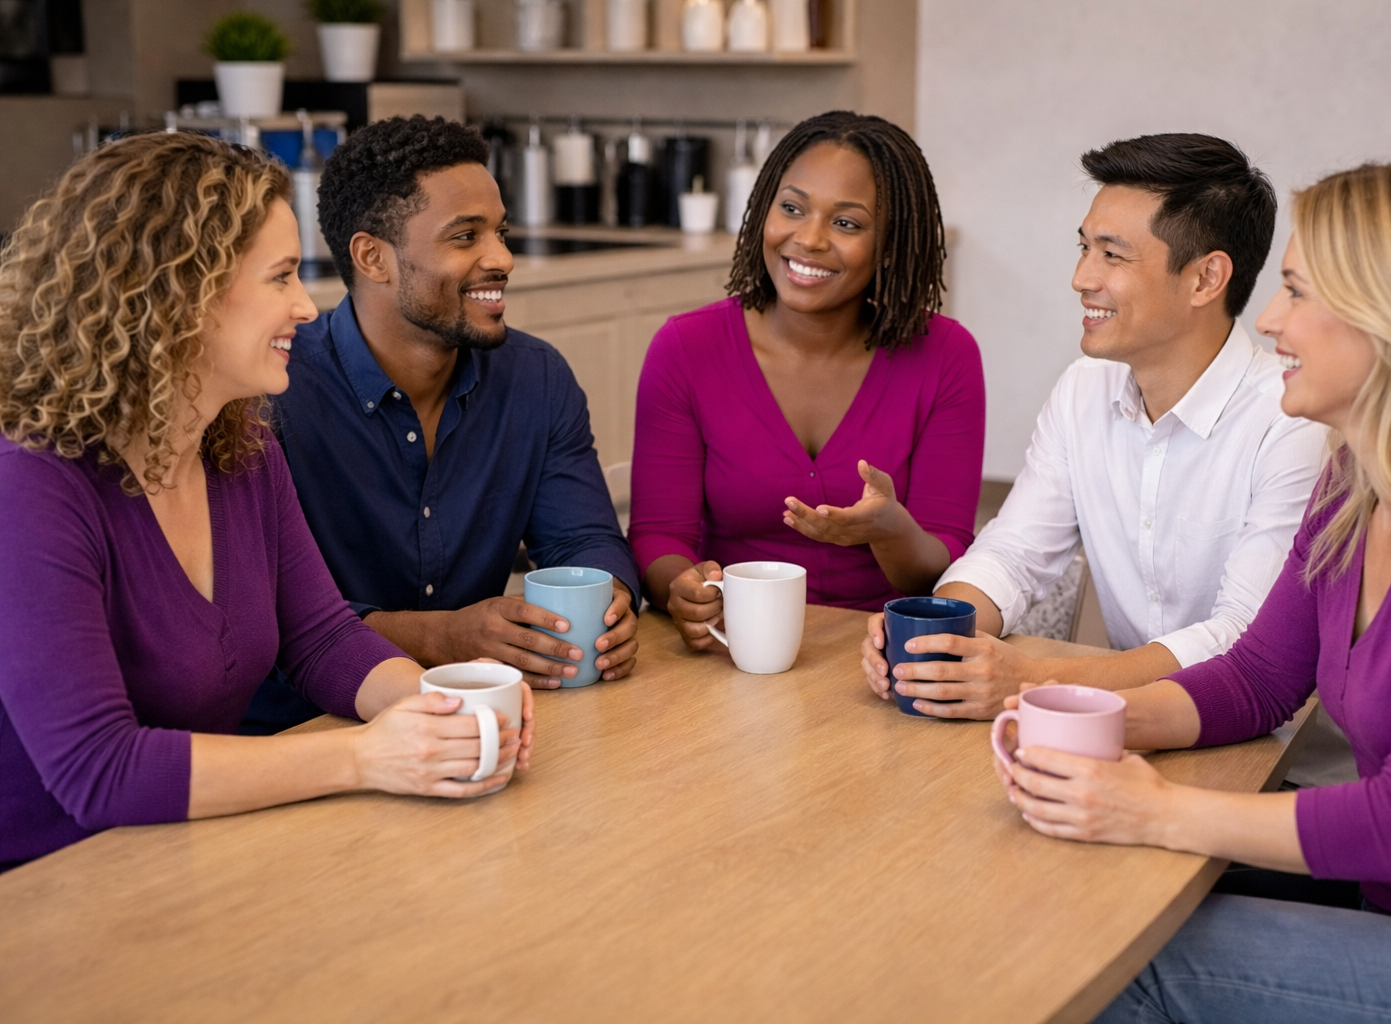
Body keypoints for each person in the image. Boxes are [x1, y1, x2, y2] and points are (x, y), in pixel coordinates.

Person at [992, 159, 1391, 1022]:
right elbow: (1259, 679)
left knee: (1111, 957)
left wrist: (1157, 810)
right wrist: (1093, 721)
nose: (1272, 322)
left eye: (1295, 292)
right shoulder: (1356, 475)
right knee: (1078, 883)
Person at [0, 133, 532, 869]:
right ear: (178, 295)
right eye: (280, 278)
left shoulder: (239, 452)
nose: (307, 309)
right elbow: (99, 770)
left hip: (195, 854)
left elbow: (320, 639)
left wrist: (441, 708)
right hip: (52, 893)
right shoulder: (31, 485)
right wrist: (365, 758)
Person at [862, 133, 1329, 720]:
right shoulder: (1085, 388)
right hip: (1116, 725)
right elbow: (1013, 554)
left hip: (1259, 739)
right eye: (1084, 248)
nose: (1082, 277)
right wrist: (939, 635)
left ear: (1207, 279)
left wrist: (1036, 679)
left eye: (1112, 255)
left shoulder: (1292, 424)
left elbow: (1243, 637)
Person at [243, 116, 640, 734]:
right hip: (305, 732)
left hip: (480, 719)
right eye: (465, 237)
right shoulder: (272, 394)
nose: (503, 258)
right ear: (373, 256)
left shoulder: (536, 378)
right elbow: (268, 621)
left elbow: (582, 539)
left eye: (501, 232)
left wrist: (607, 601)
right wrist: (444, 635)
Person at [629, 111, 985, 650]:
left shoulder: (946, 357)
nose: (809, 239)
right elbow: (659, 534)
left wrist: (889, 528)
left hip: (880, 656)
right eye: (791, 208)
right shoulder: (685, 349)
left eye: (846, 223)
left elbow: (943, 568)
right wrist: (683, 588)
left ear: (889, 242)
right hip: (733, 653)